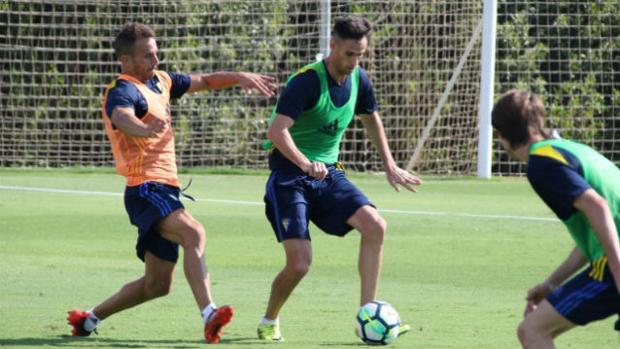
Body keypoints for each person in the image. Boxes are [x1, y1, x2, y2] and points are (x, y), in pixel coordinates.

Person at [66, 23, 276, 344]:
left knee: (157, 285)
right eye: (148, 55)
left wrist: (239, 77)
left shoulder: (161, 81)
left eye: (156, 52)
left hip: (164, 187)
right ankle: (209, 315)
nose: (156, 59)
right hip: (145, 187)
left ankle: (88, 320)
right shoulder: (122, 89)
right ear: (126, 60)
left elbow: (204, 81)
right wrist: (143, 128)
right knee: (194, 233)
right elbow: (122, 117)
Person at [257, 16, 421, 341]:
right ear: (332, 46)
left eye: (360, 54)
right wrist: (305, 164)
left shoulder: (360, 78)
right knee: (300, 265)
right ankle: (268, 320)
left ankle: (368, 316)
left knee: (376, 226)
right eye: (349, 54)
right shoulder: (305, 82)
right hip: (290, 176)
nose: (354, 61)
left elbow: (371, 117)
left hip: (328, 173)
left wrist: (389, 164)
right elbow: (276, 132)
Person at [491, 90, 620, 349]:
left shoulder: (541, 163)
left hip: (613, 264)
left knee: (532, 331)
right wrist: (552, 283)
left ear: (503, 135)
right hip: (610, 255)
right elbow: (597, 231)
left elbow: (598, 206)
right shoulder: (571, 148)